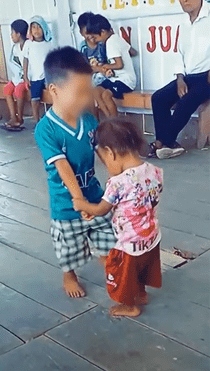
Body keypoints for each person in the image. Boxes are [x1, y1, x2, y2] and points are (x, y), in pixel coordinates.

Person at [34, 47, 117, 298]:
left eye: (88, 91)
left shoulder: (88, 121)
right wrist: (77, 199)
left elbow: (101, 151)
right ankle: (68, 275)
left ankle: (110, 264)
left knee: (108, 235)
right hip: (66, 204)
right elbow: (62, 167)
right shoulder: (46, 129)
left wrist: (119, 175)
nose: (87, 99)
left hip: (94, 195)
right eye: (80, 93)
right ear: (55, 91)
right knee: (69, 247)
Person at [73, 119, 163, 317]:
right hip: (152, 237)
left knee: (122, 274)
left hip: (129, 243)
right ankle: (141, 294)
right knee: (140, 269)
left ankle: (130, 306)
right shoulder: (154, 171)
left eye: (104, 160)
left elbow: (101, 210)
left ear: (110, 153)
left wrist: (83, 205)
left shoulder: (118, 182)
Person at [148, 0, 210, 159]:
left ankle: (161, 143)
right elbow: (179, 54)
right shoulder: (183, 23)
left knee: (186, 101)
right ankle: (168, 144)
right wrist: (180, 78)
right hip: (188, 77)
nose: (184, 1)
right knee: (158, 98)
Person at [85, 14, 137, 117]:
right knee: (96, 91)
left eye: (96, 37)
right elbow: (133, 52)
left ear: (103, 32)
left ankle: (114, 122)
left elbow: (119, 64)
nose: (95, 40)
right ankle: (109, 119)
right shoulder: (116, 38)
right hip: (116, 79)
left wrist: (105, 66)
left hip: (125, 81)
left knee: (106, 95)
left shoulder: (111, 42)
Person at [23, 16, 56, 123]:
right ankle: (37, 120)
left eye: (39, 27)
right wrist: (25, 76)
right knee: (35, 99)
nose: (36, 31)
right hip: (35, 77)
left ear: (44, 29)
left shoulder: (49, 44)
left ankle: (54, 118)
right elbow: (25, 60)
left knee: (53, 94)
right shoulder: (29, 44)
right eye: (33, 28)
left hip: (47, 76)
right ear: (30, 30)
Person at [2, 19, 29, 131]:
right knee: (7, 89)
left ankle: (20, 118)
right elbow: (13, 62)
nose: (11, 35)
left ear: (18, 34)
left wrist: (24, 76)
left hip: (26, 78)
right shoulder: (15, 47)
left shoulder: (29, 45)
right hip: (17, 78)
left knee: (18, 90)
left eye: (12, 32)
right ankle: (13, 117)